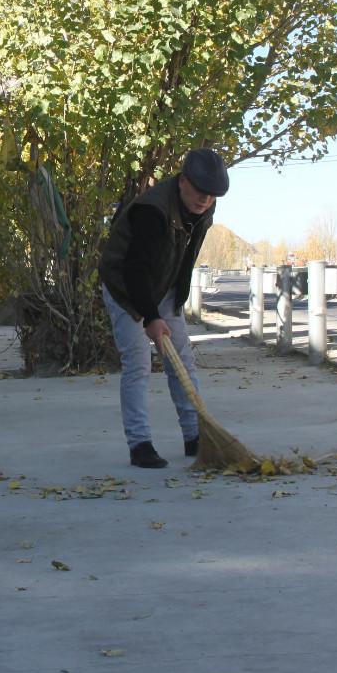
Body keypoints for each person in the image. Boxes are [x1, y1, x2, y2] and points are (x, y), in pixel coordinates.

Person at [98, 148, 229, 468]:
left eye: (212, 196)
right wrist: (151, 318)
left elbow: (185, 260)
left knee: (181, 360)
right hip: (125, 287)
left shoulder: (203, 212)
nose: (205, 200)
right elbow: (135, 269)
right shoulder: (152, 210)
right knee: (139, 362)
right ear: (183, 181)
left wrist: (173, 304)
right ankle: (140, 444)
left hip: (164, 288)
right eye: (200, 192)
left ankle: (194, 437)